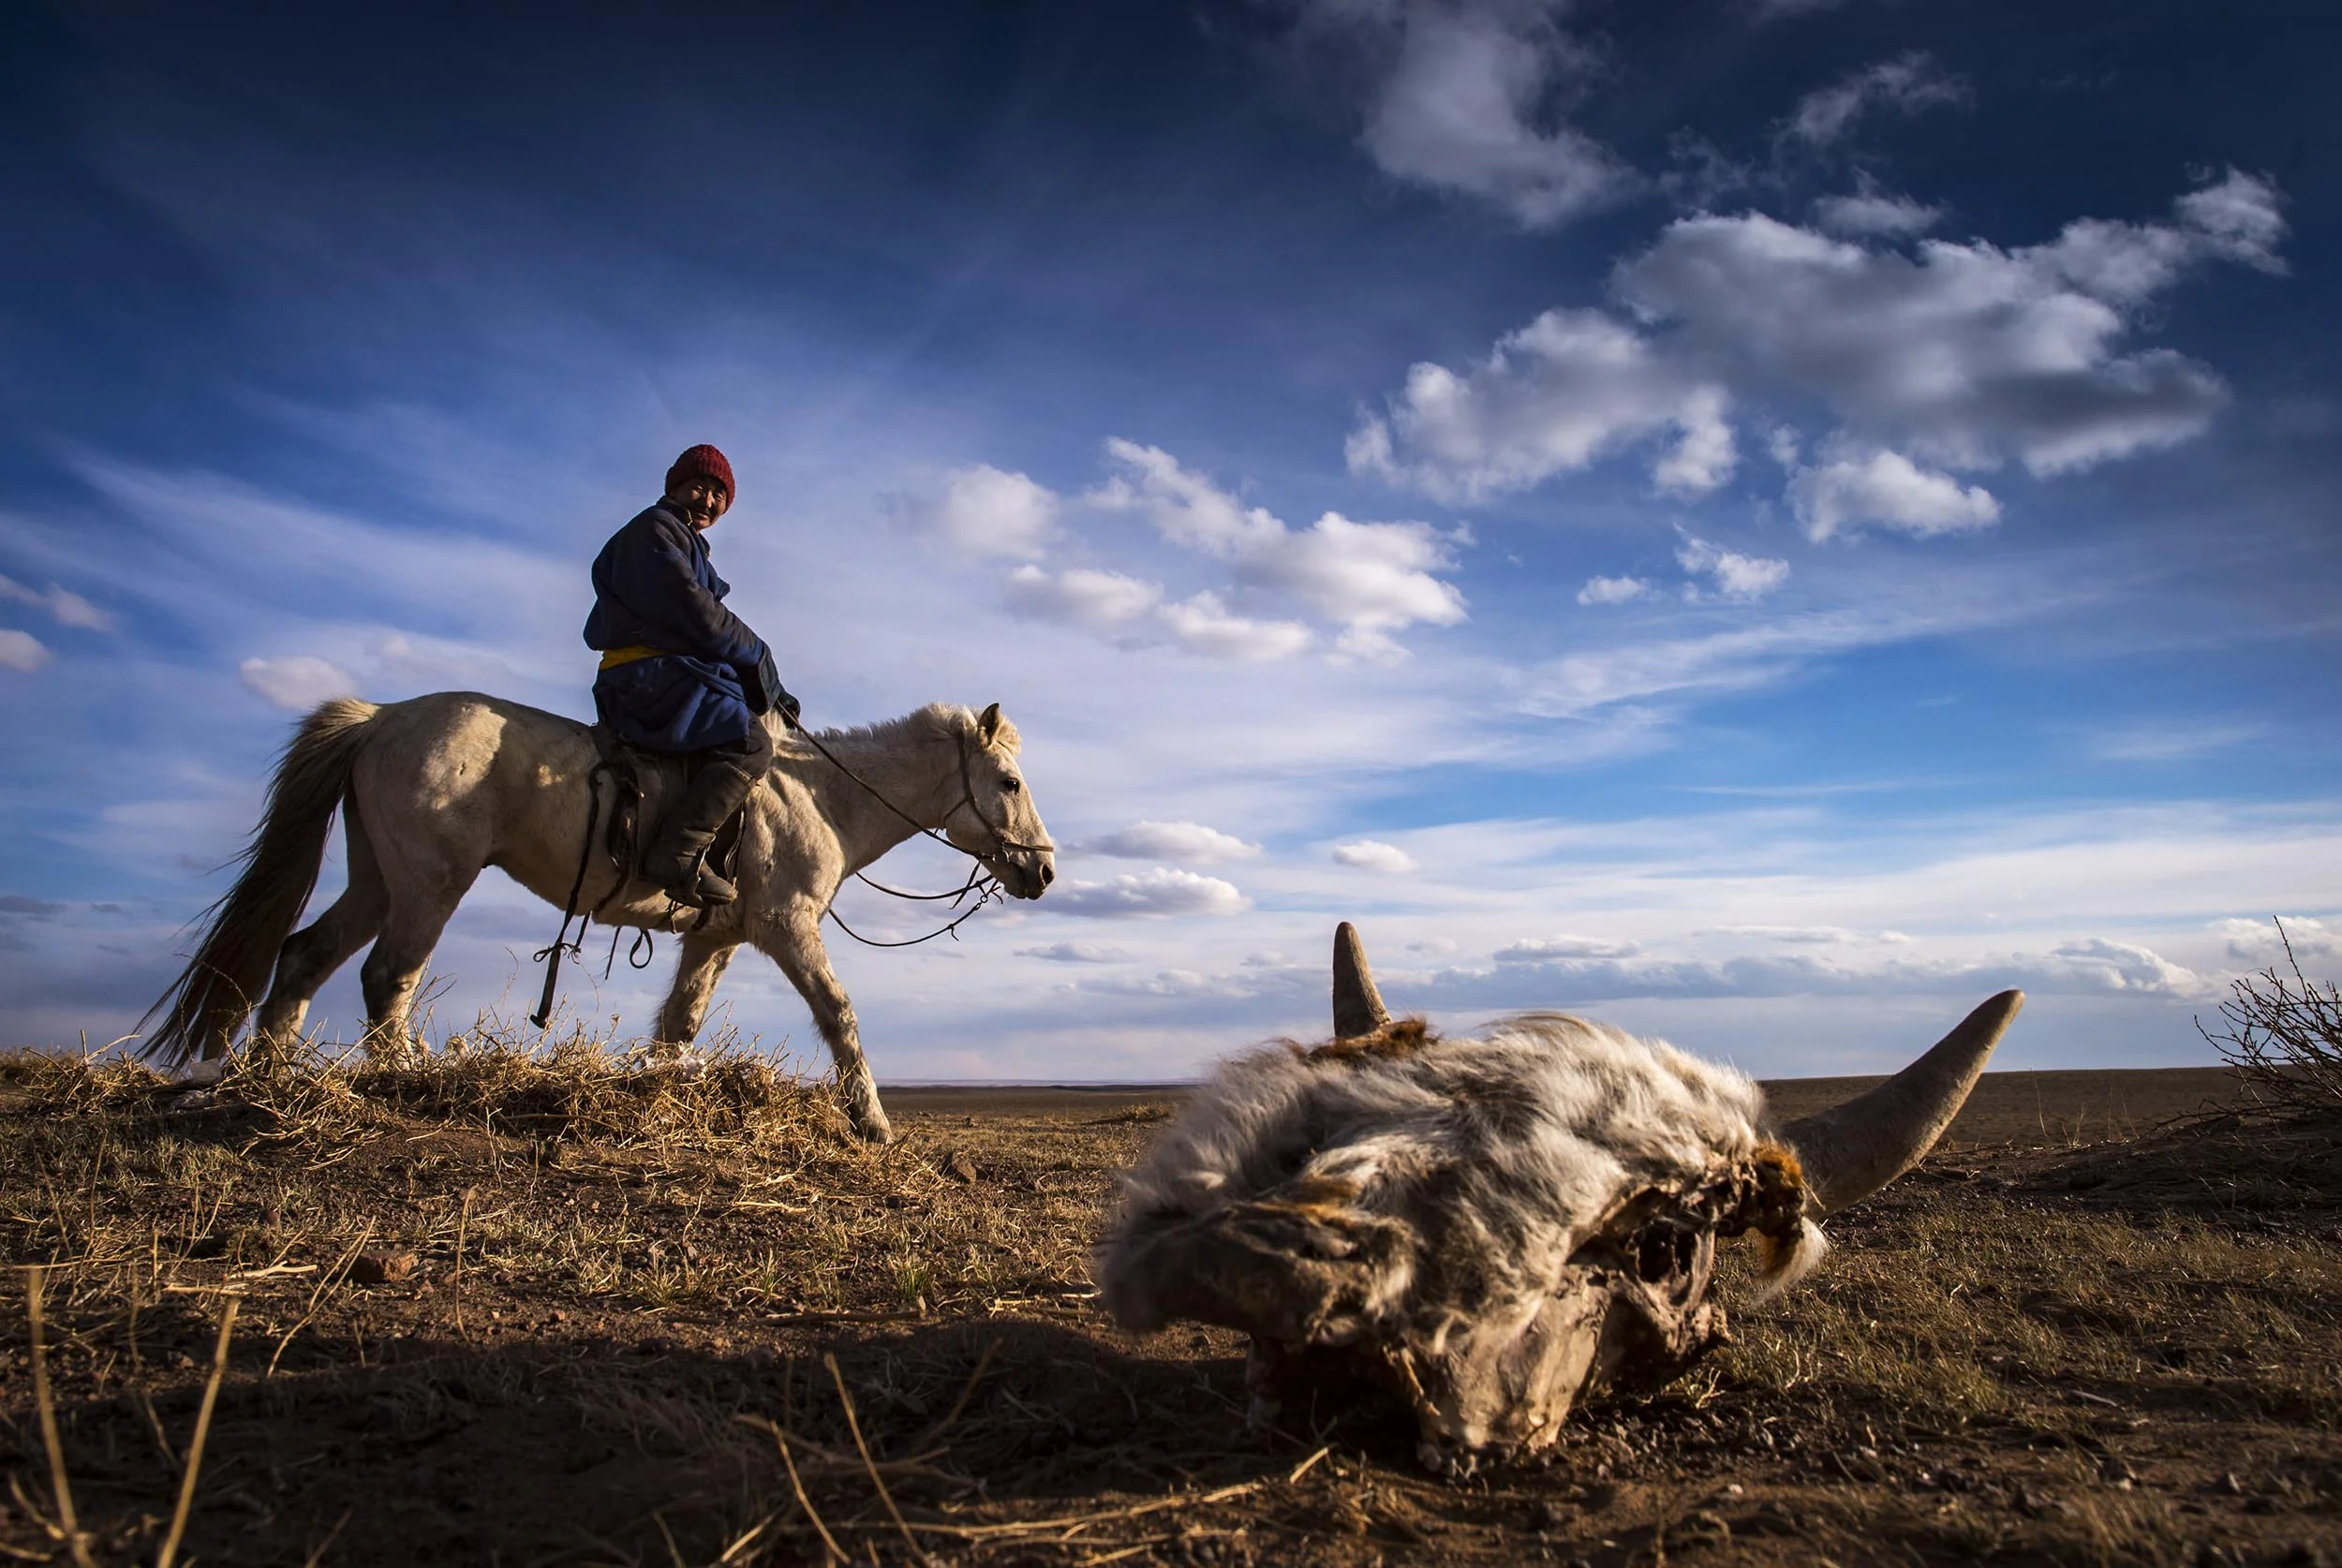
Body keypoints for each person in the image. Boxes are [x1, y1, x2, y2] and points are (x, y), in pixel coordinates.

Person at [583, 444, 797, 907]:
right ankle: (676, 854)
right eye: (700, 487)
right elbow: (698, 614)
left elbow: (705, 628)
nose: (708, 501)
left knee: (746, 713)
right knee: (751, 743)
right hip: (644, 676)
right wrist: (761, 658)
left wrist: (770, 689)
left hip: (665, 671)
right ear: (675, 486)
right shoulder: (654, 531)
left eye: (720, 495)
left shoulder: (682, 540)